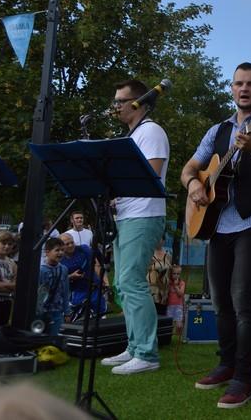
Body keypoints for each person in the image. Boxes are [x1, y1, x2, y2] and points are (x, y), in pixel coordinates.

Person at [181, 62, 251, 409]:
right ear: (231, 89)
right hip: (217, 224)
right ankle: (226, 363)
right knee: (220, 301)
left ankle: (244, 379)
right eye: (239, 83)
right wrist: (194, 184)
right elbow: (189, 168)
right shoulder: (217, 131)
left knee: (242, 298)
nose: (244, 89)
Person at [100, 79, 170, 375]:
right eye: (115, 101)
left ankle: (146, 353)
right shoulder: (132, 134)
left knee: (131, 281)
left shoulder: (151, 131)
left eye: (120, 101)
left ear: (138, 102)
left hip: (143, 215)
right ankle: (134, 345)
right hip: (126, 216)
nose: (115, 106)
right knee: (121, 284)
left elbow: (150, 176)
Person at [60, 232, 107, 320]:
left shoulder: (83, 249)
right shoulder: (59, 259)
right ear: (61, 246)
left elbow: (96, 264)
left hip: (94, 287)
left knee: (101, 315)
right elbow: (58, 279)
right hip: (76, 291)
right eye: (67, 244)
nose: (71, 245)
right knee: (77, 317)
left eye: (72, 242)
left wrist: (104, 281)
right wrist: (71, 276)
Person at [38, 237, 70, 336]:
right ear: (47, 252)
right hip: (41, 311)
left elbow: (65, 291)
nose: (60, 253)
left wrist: (67, 311)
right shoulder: (41, 270)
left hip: (57, 311)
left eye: (62, 250)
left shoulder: (63, 269)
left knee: (55, 337)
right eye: (57, 250)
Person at [148, 237, 171, 315]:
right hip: (151, 289)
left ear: (163, 241)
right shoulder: (149, 254)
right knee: (150, 313)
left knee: (162, 314)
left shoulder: (168, 255)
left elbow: (170, 271)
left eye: (159, 238)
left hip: (164, 291)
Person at [166, 265, 186, 335]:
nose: (176, 275)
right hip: (169, 306)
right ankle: (169, 335)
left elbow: (181, 294)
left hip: (178, 306)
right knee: (169, 323)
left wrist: (176, 286)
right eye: (174, 273)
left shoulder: (182, 283)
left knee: (179, 325)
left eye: (178, 274)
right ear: (171, 274)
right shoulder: (169, 283)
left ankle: (178, 336)